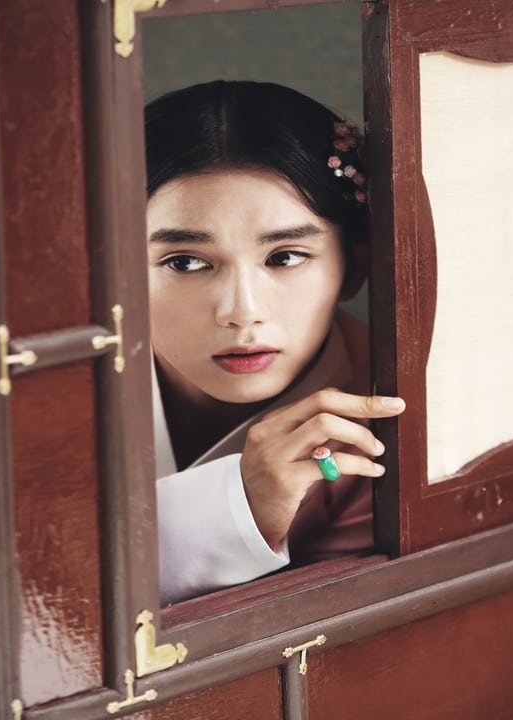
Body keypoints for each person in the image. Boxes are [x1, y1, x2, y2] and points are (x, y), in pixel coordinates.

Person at [147, 81, 407, 604]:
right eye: (185, 262)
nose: (242, 311)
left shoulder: (392, 444)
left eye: (285, 257)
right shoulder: (37, 387)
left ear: (355, 266)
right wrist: (236, 509)